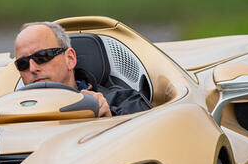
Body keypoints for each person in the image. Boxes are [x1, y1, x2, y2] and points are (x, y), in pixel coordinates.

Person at [12, 21, 152, 118]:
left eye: (42, 56)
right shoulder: (7, 115)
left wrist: (109, 121)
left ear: (70, 59)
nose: (32, 68)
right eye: (22, 63)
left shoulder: (128, 105)